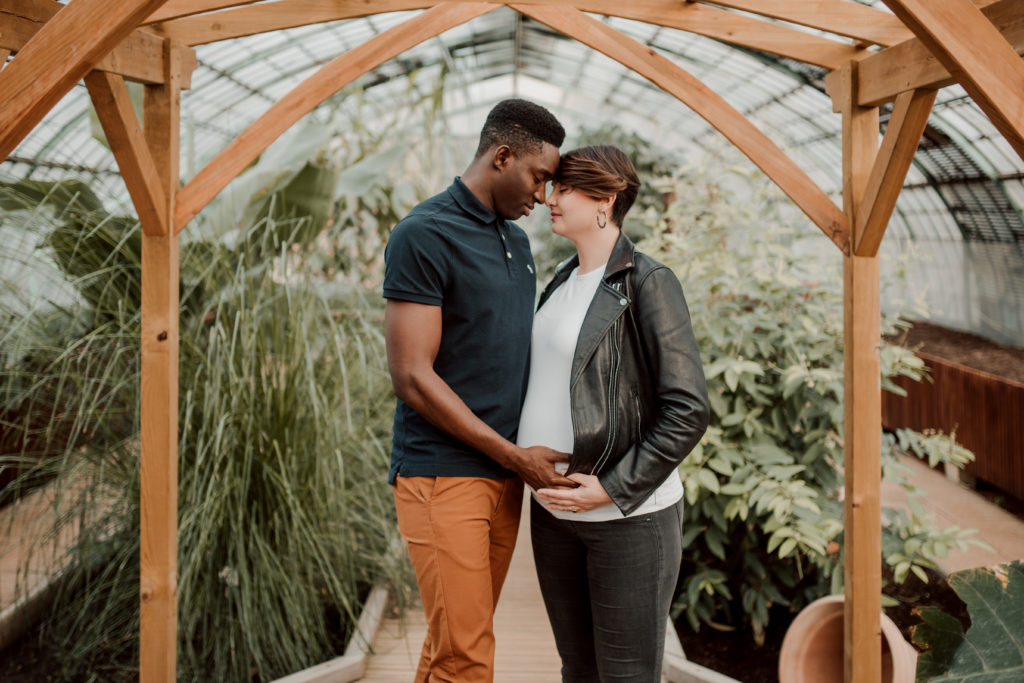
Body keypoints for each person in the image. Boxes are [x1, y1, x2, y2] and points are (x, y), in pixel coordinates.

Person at [383, 99, 573, 683]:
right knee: (466, 657)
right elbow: (412, 376)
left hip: (503, 477)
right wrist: (513, 455)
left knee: (452, 644)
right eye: (539, 177)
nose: (543, 196)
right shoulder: (424, 233)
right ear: (503, 156)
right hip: (444, 476)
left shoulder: (517, 242)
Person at [518, 145, 710, 682]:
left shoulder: (649, 281)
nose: (550, 199)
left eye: (565, 189)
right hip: (555, 516)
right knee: (577, 671)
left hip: (628, 520)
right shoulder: (562, 279)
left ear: (606, 199)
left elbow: (688, 408)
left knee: (627, 676)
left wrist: (611, 488)